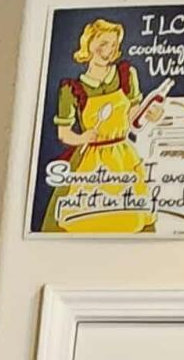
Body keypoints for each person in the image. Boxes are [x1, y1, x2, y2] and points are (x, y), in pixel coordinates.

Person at [45, 17, 165, 233]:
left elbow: (133, 116)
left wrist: (150, 114)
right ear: (88, 44)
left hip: (123, 158)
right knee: (84, 219)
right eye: (103, 44)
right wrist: (82, 138)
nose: (108, 50)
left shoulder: (126, 75)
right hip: (90, 162)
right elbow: (64, 133)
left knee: (130, 218)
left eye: (113, 44)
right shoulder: (71, 89)